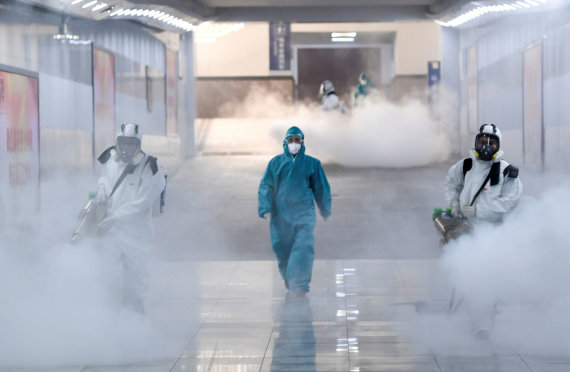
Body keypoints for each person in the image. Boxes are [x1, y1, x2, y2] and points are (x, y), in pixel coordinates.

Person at [444, 123, 522, 339]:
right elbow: (451, 184)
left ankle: (482, 323)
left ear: (498, 145)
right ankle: (479, 321)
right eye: (482, 141)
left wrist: (477, 211)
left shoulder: (507, 171)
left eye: (491, 142)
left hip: (493, 235)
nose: (486, 146)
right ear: (476, 142)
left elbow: (510, 203)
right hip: (466, 231)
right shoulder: (466, 166)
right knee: (471, 276)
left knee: (485, 276)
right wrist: (455, 205)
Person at [95, 123, 166, 314]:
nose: (126, 148)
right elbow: (104, 179)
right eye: (123, 143)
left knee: (136, 283)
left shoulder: (150, 168)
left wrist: (115, 218)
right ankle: (112, 325)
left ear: (139, 145)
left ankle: (136, 328)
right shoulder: (111, 160)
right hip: (112, 232)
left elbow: (141, 203)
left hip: (137, 235)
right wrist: (101, 192)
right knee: (110, 280)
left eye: (131, 144)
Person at [258, 126, 331, 296]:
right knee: (283, 249)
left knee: (304, 246)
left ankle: (300, 284)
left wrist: (324, 208)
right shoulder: (275, 163)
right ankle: (288, 276)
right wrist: (265, 208)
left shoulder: (312, 164)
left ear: (302, 142)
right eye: (290, 140)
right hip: (280, 215)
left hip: (304, 213)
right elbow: (266, 187)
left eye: (297, 140)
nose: (294, 144)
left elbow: (321, 188)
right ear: (285, 142)